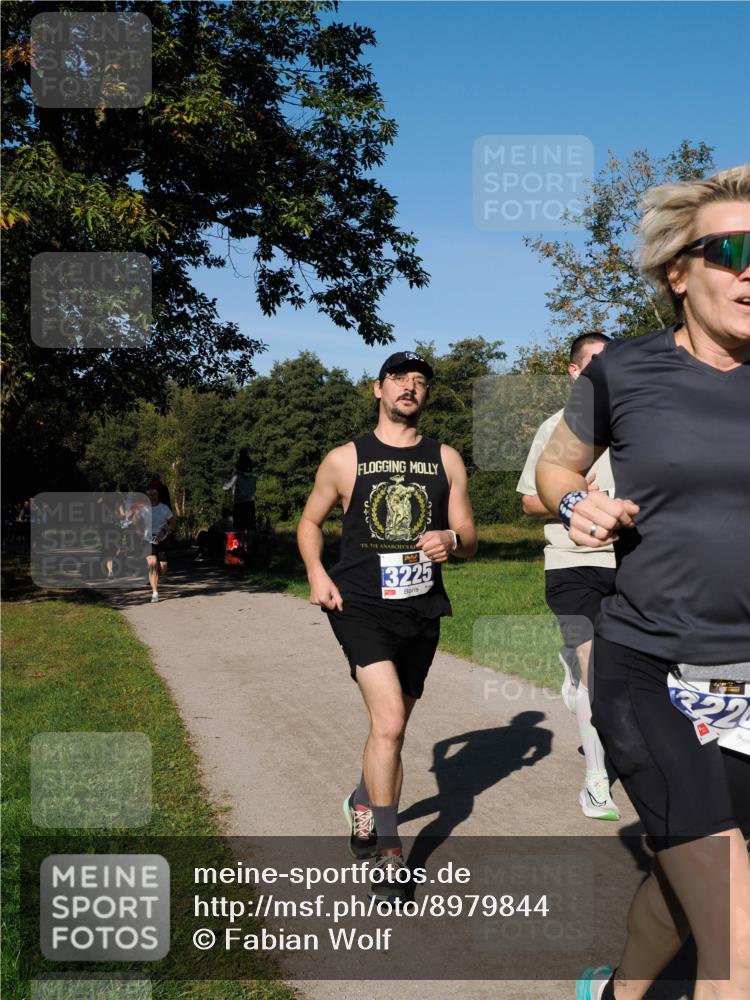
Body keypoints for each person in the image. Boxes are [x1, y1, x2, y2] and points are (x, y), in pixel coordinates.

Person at [534, 166, 750, 1000]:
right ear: (679, 271)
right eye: (732, 250)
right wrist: (579, 504)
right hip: (652, 669)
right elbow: (558, 466)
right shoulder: (624, 371)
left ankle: (618, 992)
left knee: (690, 872)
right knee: (735, 942)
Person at [297, 350, 477, 902]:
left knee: (387, 732)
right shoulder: (344, 458)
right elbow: (309, 521)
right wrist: (315, 573)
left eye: (421, 381)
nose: (411, 387)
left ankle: (361, 800)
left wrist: (452, 540)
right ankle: (389, 852)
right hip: (360, 608)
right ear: (378, 389)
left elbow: (470, 534)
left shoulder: (446, 459)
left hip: (422, 610)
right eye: (400, 378)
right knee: (392, 722)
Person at [517, 331, 620, 821]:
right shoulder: (554, 427)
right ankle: (597, 782)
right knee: (596, 667)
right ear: (576, 373)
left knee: (631, 672)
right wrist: (573, 498)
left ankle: (577, 673)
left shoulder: (634, 425)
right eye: (594, 364)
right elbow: (529, 502)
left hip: (632, 564)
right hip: (572, 560)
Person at [138, 487, 173, 603]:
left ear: (158, 496)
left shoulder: (164, 508)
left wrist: (165, 530)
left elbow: (172, 521)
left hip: (161, 539)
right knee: (153, 563)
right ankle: (155, 592)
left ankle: (153, 574)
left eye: (154, 495)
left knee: (163, 568)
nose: (152, 497)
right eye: (150, 495)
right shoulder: (143, 509)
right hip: (147, 540)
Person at [223, 448, 256, 554]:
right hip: (250, 502)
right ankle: (250, 548)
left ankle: (241, 549)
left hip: (239, 503)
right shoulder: (253, 478)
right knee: (250, 527)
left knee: (240, 527)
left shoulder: (237, 476)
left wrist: (224, 481)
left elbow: (226, 487)